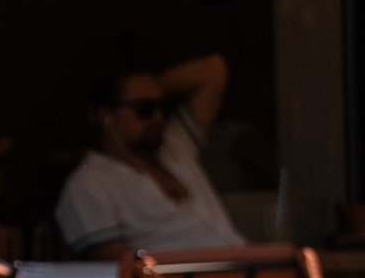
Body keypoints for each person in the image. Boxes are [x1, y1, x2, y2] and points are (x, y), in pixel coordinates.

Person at [54, 52, 242, 259]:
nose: (158, 117)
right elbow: (118, 272)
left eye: (161, 106)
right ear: (106, 117)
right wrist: (121, 95)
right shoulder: (89, 184)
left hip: (246, 268)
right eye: (145, 109)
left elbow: (213, 70)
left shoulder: (175, 147)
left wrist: (147, 90)